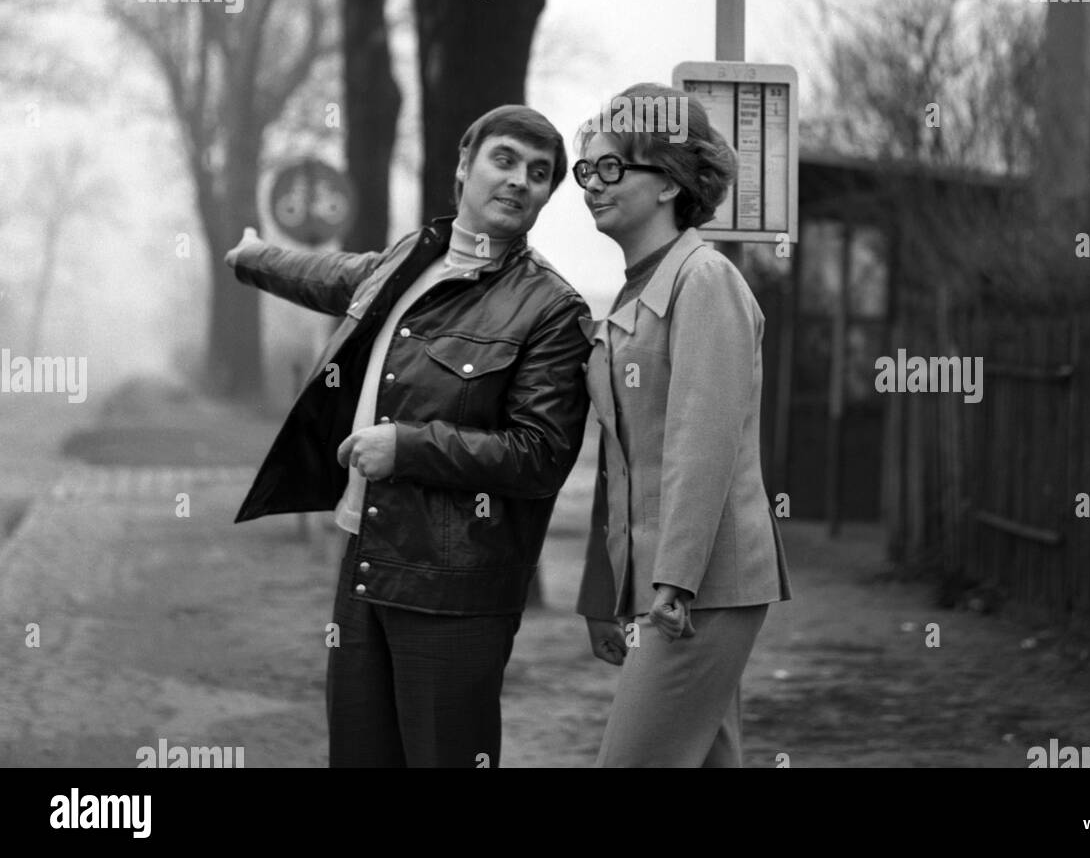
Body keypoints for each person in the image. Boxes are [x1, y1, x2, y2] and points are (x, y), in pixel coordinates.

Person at [224, 106, 590, 769]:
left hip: (457, 588)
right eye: (504, 160)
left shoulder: (553, 310)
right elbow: (329, 277)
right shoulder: (408, 260)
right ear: (462, 166)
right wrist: (254, 261)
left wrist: (409, 446)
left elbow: (539, 457)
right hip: (366, 557)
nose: (519, 181)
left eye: (539, 174)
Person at [574, 82, 791, 768]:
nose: (591, 186)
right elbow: (623, 462)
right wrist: (603, 593)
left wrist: (674, 584)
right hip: (673, 585)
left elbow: (704, 444)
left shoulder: (705, 280)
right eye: (587, 171)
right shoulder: (635, 292)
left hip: (702, 587)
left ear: (667, 182)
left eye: (611, 168)